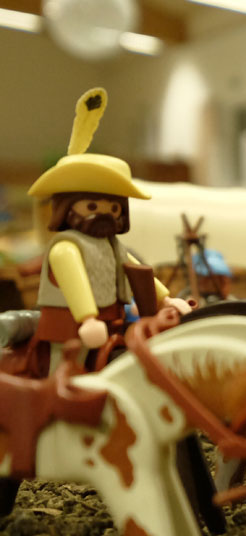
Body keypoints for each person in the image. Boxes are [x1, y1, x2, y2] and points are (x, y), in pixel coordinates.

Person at [28, 87, 191, 374]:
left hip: (112, 320)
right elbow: (75, 282)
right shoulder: (65, 247)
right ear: (67, 207)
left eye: (113, 208)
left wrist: (165, 299)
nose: (104, 214)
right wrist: (88, 318)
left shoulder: (113, 246)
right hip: (69, 325)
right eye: (92, 206)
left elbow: (136, 270)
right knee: (68, 368)